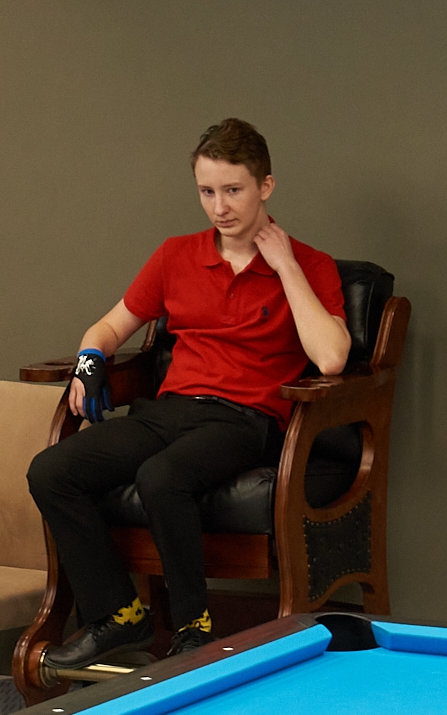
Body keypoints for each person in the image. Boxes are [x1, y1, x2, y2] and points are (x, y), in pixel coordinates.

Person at [27, 118, 349, 667]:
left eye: (233, 190)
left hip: (245, 418)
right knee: (52, 470)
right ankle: (119, 615)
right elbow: (108, 328)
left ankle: (193, 629)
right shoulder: (176, 255)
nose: (220, 207)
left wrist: (285, 266)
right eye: (207, 192)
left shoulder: (310, 265)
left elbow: (331, 357)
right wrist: (88, 362)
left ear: (266, 186)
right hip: (172, 410)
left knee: (162, 477)